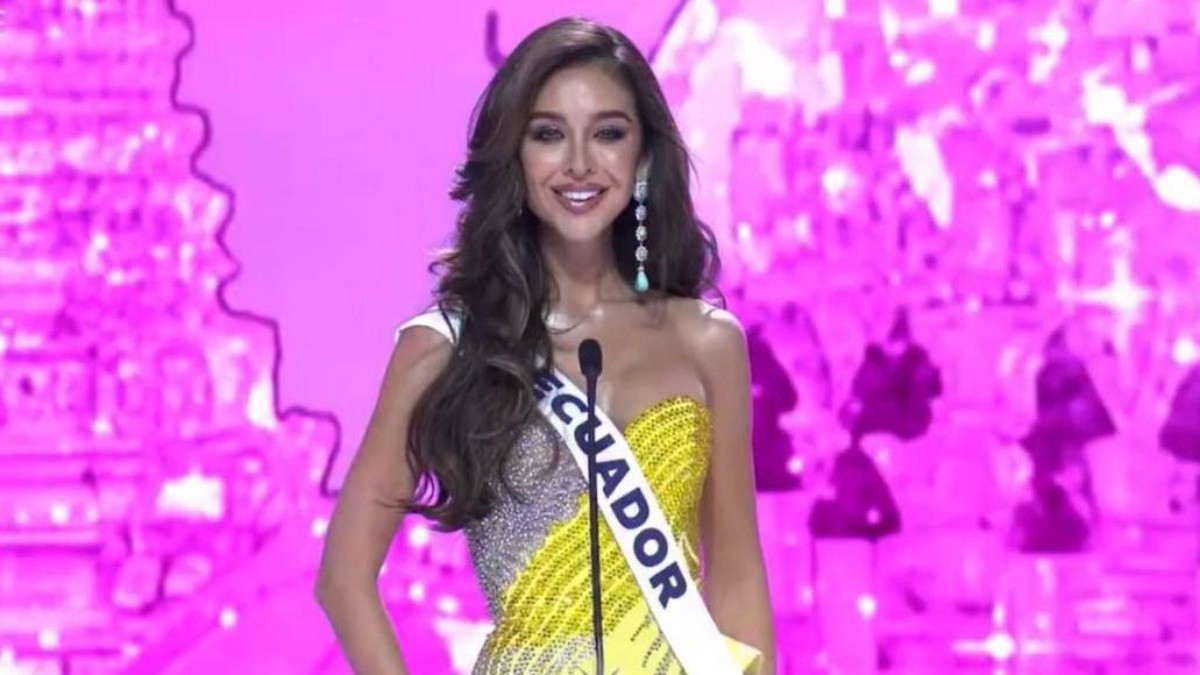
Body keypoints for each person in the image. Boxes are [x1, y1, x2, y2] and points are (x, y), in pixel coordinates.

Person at [316, 17, 775, 674]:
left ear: (644, 155)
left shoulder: (709, 342)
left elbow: (736, 580)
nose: (580, 163)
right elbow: (343, 579)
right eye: (549, 134)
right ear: (515, 155)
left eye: (608, 133)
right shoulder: (443, 348)